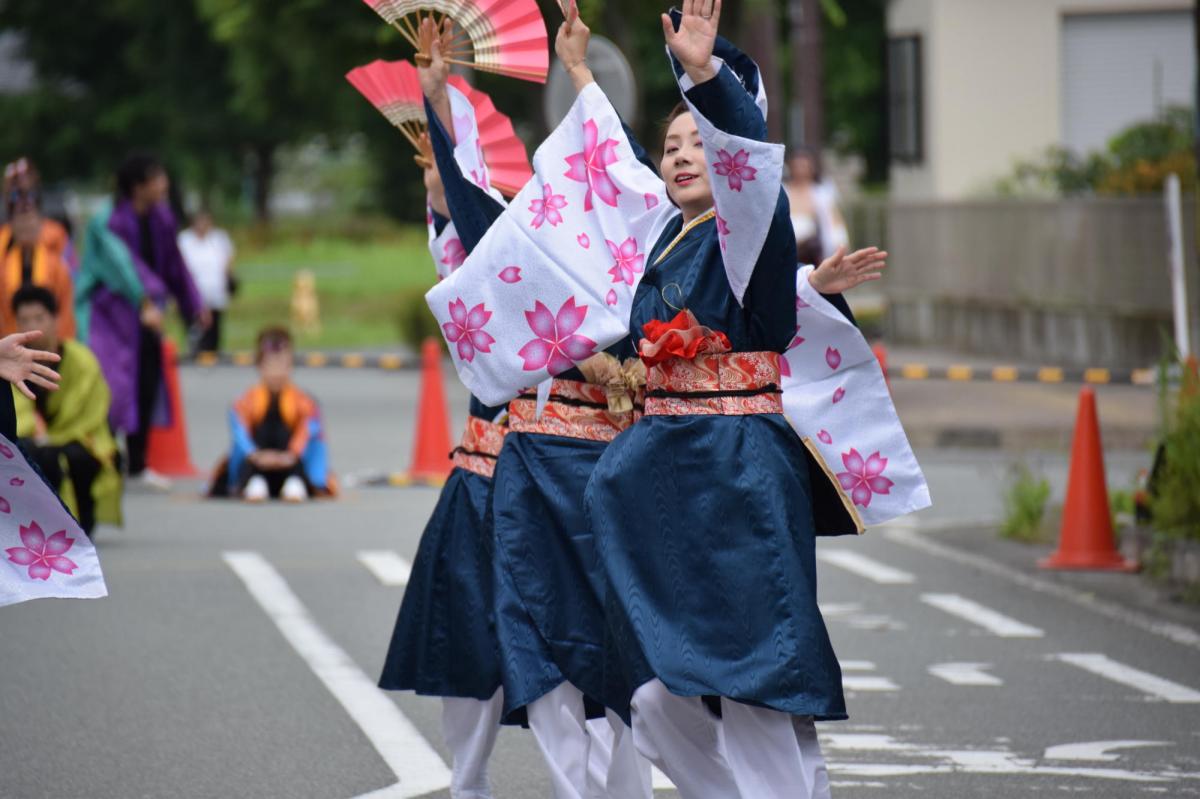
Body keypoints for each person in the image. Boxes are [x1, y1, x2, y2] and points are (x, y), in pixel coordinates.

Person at [412, 20, 654, 799]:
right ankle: (489, 784)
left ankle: (624, 791)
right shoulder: (522, 265)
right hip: (528, 477)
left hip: (616, 480)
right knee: (537, 652)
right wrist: (439, 101)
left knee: (628, 663)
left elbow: (636, 179)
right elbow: (476, 233)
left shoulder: (645, 250)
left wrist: (580, 71)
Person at [74, 153, 209, 491]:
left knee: (147, 381)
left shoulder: (161, 217)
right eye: (157, 178)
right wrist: (145, 299)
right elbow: (122, 265)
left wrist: (194, 304)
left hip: (146, 315)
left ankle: (138, 462)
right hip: (110, 314)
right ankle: (103, 458)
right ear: (138, 186)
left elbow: (174, 263)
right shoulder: (108, 220)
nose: (164, 185)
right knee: (113, 385)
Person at [10, 286, 121, 536]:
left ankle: (84, 523)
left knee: (77, 456)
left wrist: (53, 437)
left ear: (55, 320)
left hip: (76, 436)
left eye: (39, 318)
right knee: (24, 453)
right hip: (33, 438)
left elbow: (92, 411)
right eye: (24, 320)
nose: (32, 327)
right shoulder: (9, 364)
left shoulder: (81, 360)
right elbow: (15, 410)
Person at [208, 326, 334, 502]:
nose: (276, 372)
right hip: (257, 460)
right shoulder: (245, 402)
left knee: (297, 470)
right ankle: (255, 483)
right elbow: (240, 434)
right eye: (271, 365)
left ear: (291, 366)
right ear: (259, 366)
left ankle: (295, 483)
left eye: (282, 365)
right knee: (251, 469)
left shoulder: (305, 403)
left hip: (290, 461)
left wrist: (291, 455)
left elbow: (306, 432)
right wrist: (256, 455)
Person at [1, 158, 77, 339]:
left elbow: (67, 300)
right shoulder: (3, 244)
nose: (22, 184)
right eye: (16, 180)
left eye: (26, 177)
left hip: (50, 335)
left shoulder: (56, 236)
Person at [178, 209, 235, 354]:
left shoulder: (218, 238)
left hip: (214, 290)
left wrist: (228, 277)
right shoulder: (184, 239)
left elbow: (229, 257)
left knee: (214, 323)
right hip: (194, 290)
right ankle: (197, 349)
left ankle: (212, 350)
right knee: (195, 323)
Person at [784, 147, 849, 266]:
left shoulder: (821, 194)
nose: (800, 170)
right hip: (785, 251)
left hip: (812, 255)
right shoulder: (783, 192)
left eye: (803, 166)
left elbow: (834, 223)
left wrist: (839, 244)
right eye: (796, 166)